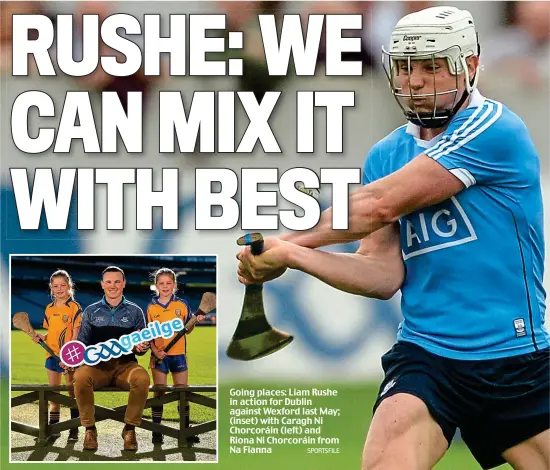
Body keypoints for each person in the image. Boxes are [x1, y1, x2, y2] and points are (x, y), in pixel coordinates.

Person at [237, 6, 550, 470]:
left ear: (470, 66)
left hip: (514, 357)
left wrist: (288, 242)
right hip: (427, 357)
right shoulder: (387, 154)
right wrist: (290, 256)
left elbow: (374, 208)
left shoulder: (494, 130)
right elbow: (382, 273)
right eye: (405, 67)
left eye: (431, 66)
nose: (416, 81)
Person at [74, 266, 150, 452]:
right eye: (108, 281)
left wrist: (142, 346)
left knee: (142, 378)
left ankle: (130, 429)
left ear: (124, 284)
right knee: (81, 376)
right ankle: (90, 429)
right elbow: (82, 343)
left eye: (117, 281)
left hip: (126, 366)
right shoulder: (91, 311)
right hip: (97, 367)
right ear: (102, 284)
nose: (113, 285)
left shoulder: (135, 311)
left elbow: (142, 346)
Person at [147, 268, 204, 445]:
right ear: (156, 285)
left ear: (174, 285)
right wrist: (156, 351)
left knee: (183, 392)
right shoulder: (151, 307)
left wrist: (195, 322)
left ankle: (185, 431)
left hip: (178, 355)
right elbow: (148, 334)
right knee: (159, 392)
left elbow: (187, 329)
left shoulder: (182, 304)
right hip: (159, 357)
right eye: (161, 283)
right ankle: (157, 431)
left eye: (168, 283)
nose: (165, 286)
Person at [32, 269, 82, 441]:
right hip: (51, 356)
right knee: (54, 394)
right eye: (55, 286)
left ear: (69, 286)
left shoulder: (74, 307)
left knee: (72, 393)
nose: (59, 289)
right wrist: (42, 337)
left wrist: (69, 359)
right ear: (51, 288)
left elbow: (76, 336)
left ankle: (73, 429)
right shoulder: (49, 308)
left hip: (69, 358)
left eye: (62, 285)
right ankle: (54, 429)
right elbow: (52, 333)